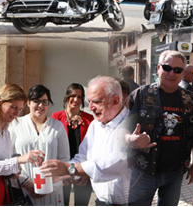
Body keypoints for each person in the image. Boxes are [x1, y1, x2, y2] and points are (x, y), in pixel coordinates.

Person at [127, 50, 193, 206]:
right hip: (144, 170)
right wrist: (130, 139)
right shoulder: (141, 94)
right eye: (167, 68)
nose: (171, 73)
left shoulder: (191, 100)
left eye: (177, 70)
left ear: (182, 73)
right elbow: (121, 128)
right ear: (158, 68)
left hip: (175, 173)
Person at [40, 76, 131, 205]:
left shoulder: (133, 123)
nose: (91, 107)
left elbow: (115, 162)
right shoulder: (95, 125)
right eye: (89, 102)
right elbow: (83, 156)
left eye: (96, 102)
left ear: (115, 100)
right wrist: (64, 174)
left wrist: (70, 169)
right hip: (102, 201)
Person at [0, 84, 44, 206]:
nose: (16, 114)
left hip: (1, 191)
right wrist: (18, 160)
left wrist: (18, 176)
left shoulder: (6, 130)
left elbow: (2, 164)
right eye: (13, 107)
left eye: (20, 109)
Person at [9, 85, 70, 206]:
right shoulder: (16, 124)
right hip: (23, 190)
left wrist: (50, 185)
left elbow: (65, 160)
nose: (41, 105)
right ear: (28, 103)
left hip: (53, 192)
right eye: (36, 101)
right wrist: (25, 182)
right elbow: (9, 157)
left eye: (44, 102)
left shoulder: (57, 126)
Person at [51, 83, 94, 206]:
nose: (76, 100)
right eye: (73, 96)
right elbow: (54, 146)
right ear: (67, 97)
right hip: (63, 170)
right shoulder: (56, 117)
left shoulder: (89, 119)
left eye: (79, 97)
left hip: (82, 169)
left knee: (81, 204)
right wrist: (60, 173)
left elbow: (92, 148)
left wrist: (86, 173)